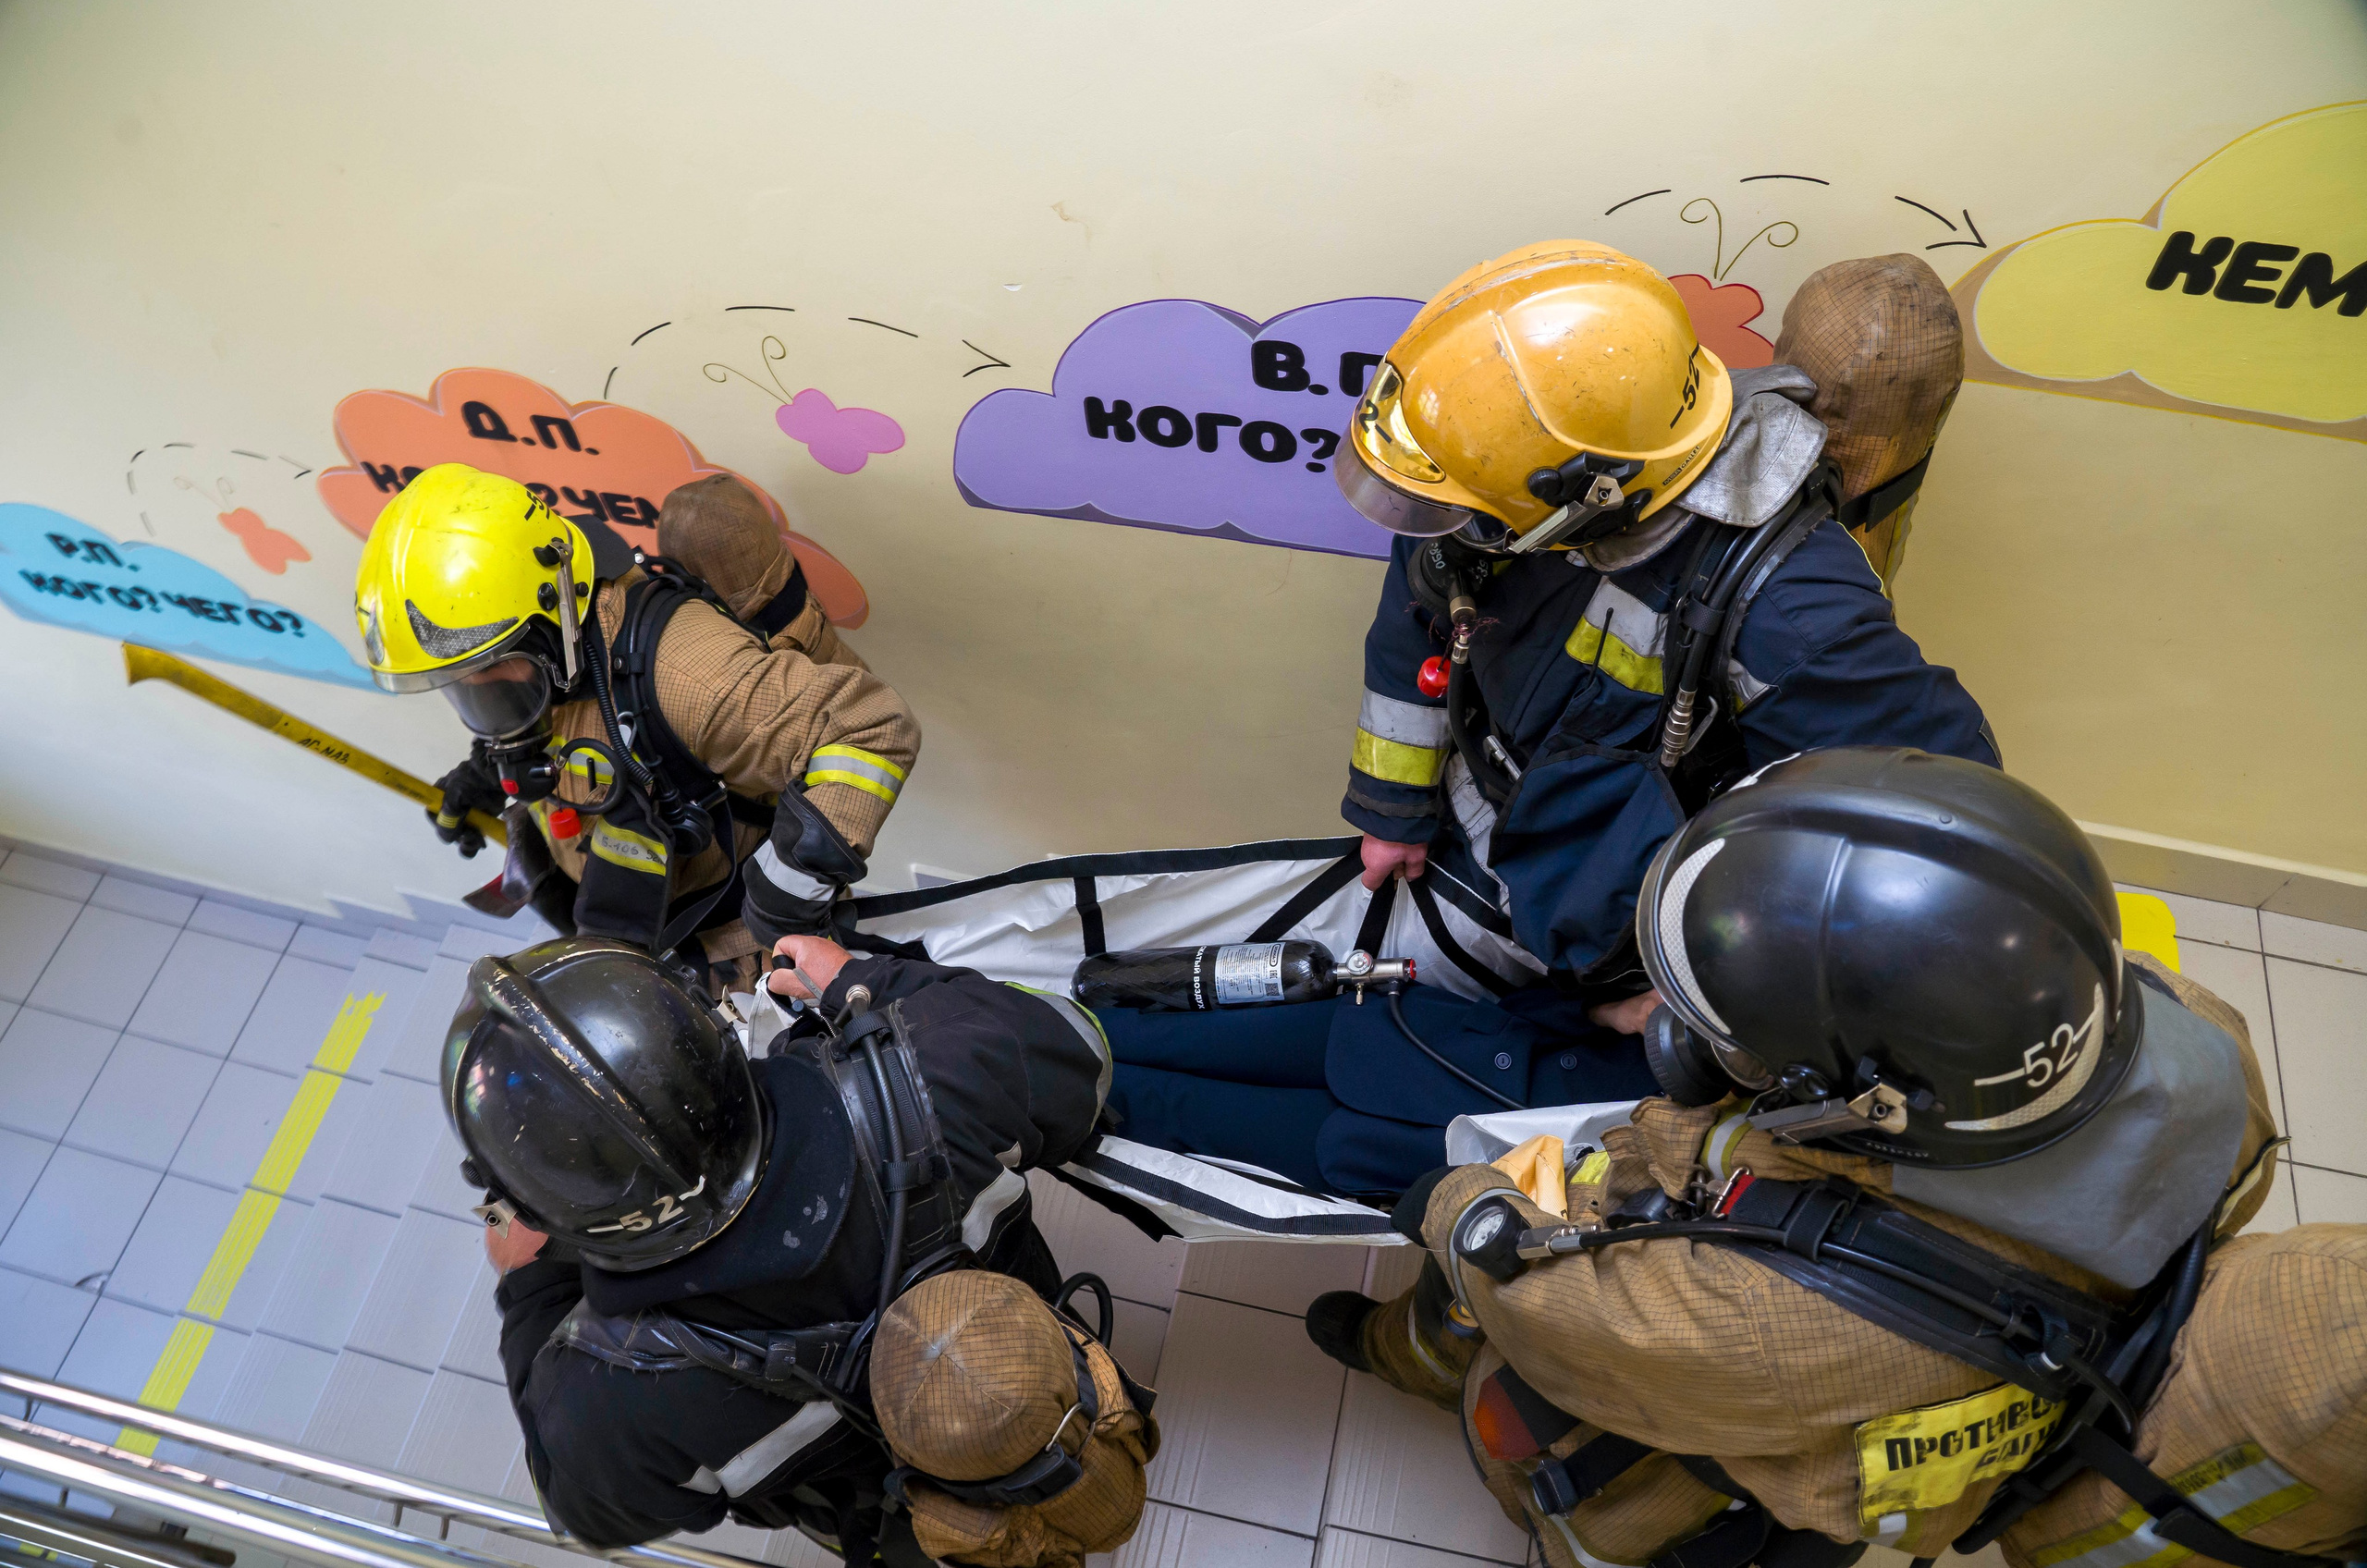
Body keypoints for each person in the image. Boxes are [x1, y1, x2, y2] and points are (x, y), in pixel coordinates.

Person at [1306, 749, 2361, 1566]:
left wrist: (1461, 1205)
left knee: (1575, 1470)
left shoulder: (1764, 1321)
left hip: (1745, 1423)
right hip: (1987, 1354)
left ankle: (1456, 1408)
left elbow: (1559, 1324)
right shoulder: (2202, 1041)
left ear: (1857, 1105)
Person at [1098, 244, 1998, 1200]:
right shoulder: (1517, 453)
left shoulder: (1794, 614)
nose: (1439, 523)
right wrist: (1391, 806)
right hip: (1471, 832)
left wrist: (1710, 1002)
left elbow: (1937, 835)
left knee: (1444, 1070)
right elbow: (1422, 607)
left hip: (1608, 910)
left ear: (1595, 498)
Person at [457, 932, 1114, 1564]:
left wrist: (529, 1288)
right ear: (703, 1033)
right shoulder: (939, 1068)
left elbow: (582, 1510)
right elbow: (1081, 1045)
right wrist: (864, 982)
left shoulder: (604, 1406)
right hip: (1039, 1364)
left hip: (921, 1508)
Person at [356, 465, 918, 985]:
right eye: (460, 682)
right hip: (608, 891)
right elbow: (557, 719)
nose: (484, 691)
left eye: (494, 668)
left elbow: (870, 727)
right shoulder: (543, 652)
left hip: (725, 944)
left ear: (557, 612)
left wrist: (791, 889)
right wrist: (484, 771)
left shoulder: (692, 676)